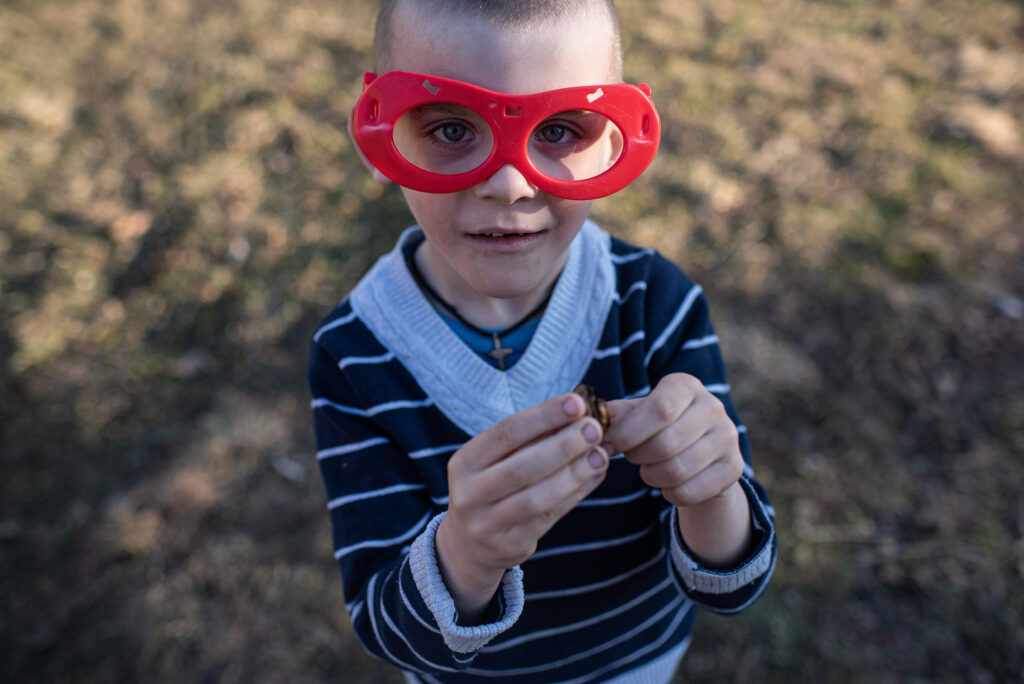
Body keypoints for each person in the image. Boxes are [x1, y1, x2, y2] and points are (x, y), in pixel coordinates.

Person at [308, 0, 777, 681]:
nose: (508, 183)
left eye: (558, 129)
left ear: (617, 139)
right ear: (376, 133)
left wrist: (712, 491)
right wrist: (465, 556)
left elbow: (734, 583)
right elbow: (386, 626)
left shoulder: (656, 305)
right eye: (448, 128)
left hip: (638, 664)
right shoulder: (355, 354)